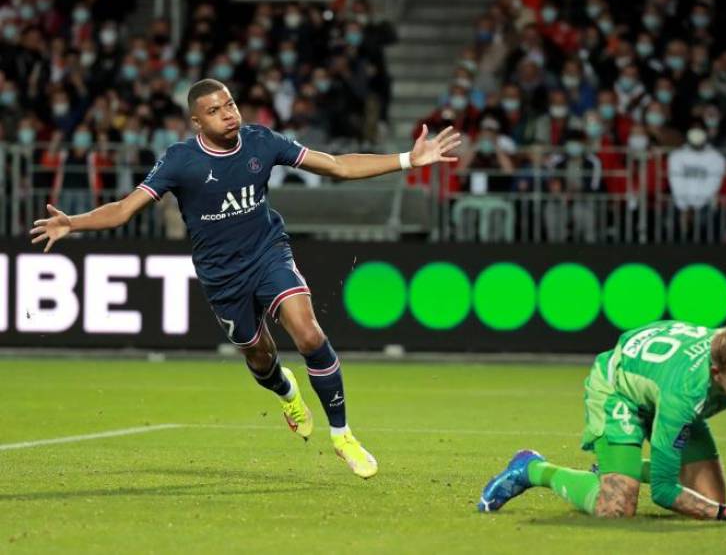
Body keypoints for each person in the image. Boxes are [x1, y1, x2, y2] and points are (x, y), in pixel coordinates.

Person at [30, 79, 461, 479]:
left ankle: (342, 434)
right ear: (197, 121)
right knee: (259, 357)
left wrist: (407, 159)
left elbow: (337, 166)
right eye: (216, 110)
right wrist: (74, 222)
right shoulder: (181, 160)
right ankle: (287, 392)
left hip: (268, 252)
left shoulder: (260, 140)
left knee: (309, 334)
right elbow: (125, 209)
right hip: (221, 276)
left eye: (231, 104)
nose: (229, 113)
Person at [477, 320, 726, 523]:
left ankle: (615, 469)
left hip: (663, 383)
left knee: (709, 502)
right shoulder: (685, 393)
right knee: (616, 509)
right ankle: (532, 469)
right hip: (619, 386)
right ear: (716, 372)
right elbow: (665, 493)